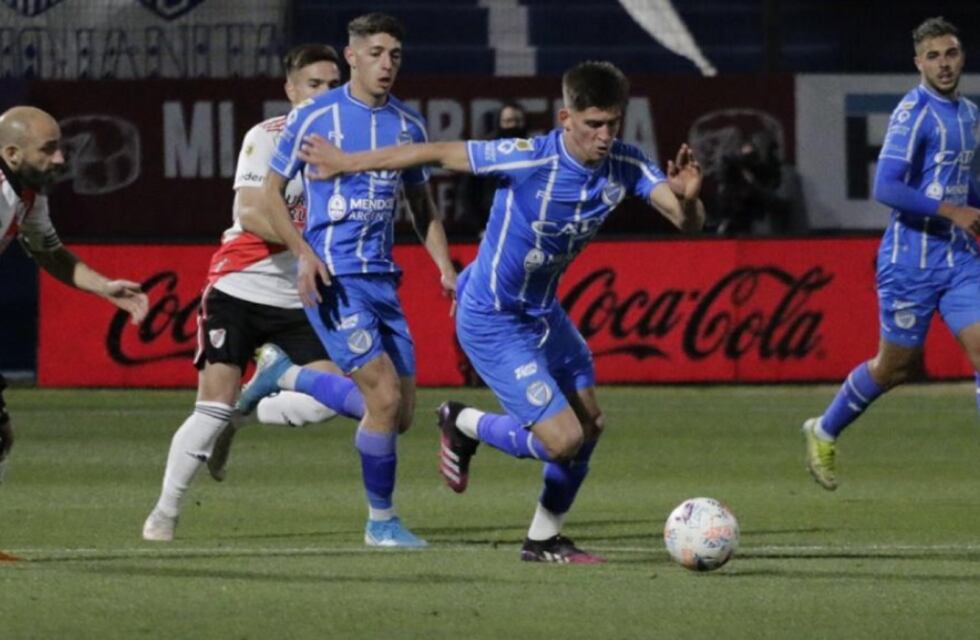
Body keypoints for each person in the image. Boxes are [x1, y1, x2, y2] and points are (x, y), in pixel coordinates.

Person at [299, 60, 705, 562]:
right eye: (592, 124)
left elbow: (686, 221)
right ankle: (464, 423)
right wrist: (346, 163)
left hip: (543, 314)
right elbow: (434, 152)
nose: (604, 137)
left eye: (612, 124)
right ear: (565, 118)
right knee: (563, 440)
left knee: (590, 425)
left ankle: (542, 540)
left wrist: (688, 199)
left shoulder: (627, 163)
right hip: (490, 315)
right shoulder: (529, 157)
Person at [141, 44, 363, 542]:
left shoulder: (350, 150)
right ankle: (164, 514)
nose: (325, 93)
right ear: (290, 90)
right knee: (210, 407)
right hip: (240, 287)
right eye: (314, 84)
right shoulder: (269, 137)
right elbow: (250, 212)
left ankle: (243, 414)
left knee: (330, 402)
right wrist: (304, 248)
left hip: (300, 299)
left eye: (333, 84)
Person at [251, 12, 457, 548]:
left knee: (400, 414)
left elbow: (419, 202)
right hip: (335, 277)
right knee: (383, 400)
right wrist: (302, 254)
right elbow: (270, 193)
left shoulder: (409, 125)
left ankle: (288, 376)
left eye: (395, 55)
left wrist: (444, 265)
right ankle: (380, 522)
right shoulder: (314, 116)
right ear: (352, 55)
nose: (387, 63)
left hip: (383, 281)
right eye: (377, 53)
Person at [800, 16, 980, 491]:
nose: (944, 64)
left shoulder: (968, 114)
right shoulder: (913, 113)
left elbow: (965, 185)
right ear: (918, 62)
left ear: (962, 56)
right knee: (895, 367)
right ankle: (824, 429)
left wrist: (971, 209)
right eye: (934, 56)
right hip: (909, 264)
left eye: (951, 53)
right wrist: (951, 212)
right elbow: (886, 186)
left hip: (959, 259)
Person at [0, 106, 148, 482]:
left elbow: (49, 251)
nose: (61, 158)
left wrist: (104, 287)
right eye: (48, 150)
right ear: (12, 154)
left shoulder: (27, 194)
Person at [715, 130, 807, 236]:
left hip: (781, 237)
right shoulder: (744, 175)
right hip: (748, 235)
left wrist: (753, 183)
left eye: (756, 152)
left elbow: (780, 203)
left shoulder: (785, 173)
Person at [456, 102, 528, 235]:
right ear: (499, 123)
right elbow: (468, 193)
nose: (513, 126)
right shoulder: (485, 152)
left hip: (525, 230)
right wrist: (479, 227)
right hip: (489, 228)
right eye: (508, 121)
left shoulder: (534, 151)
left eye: (517, 121)